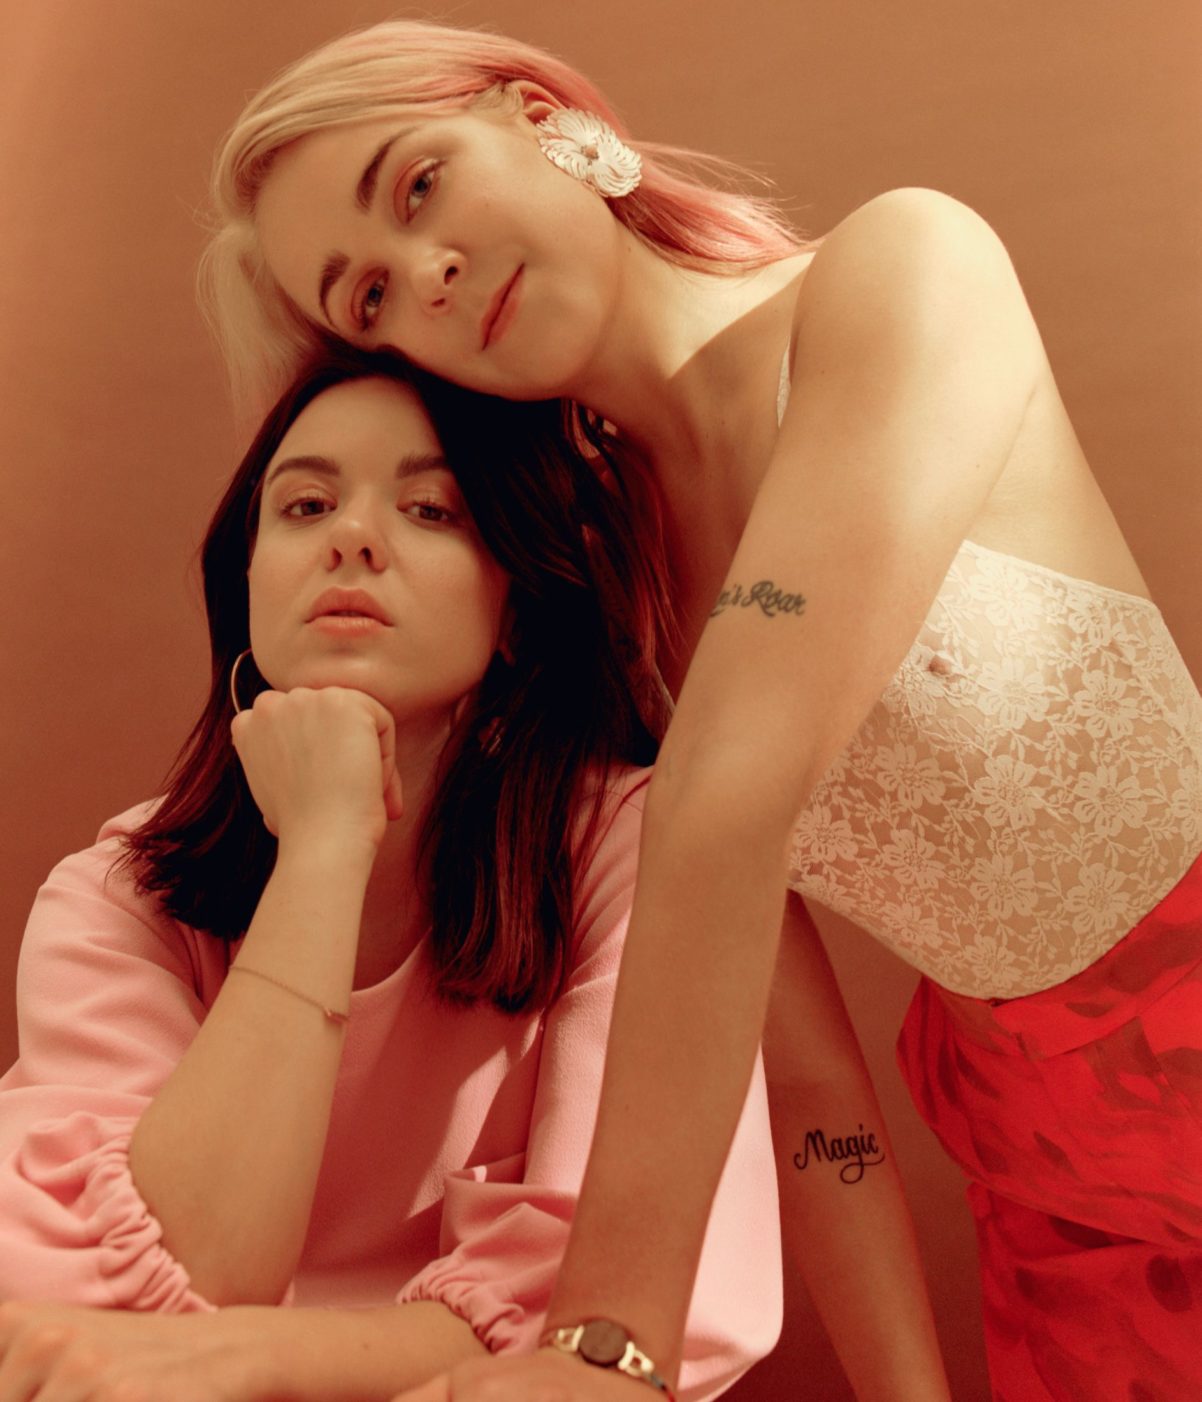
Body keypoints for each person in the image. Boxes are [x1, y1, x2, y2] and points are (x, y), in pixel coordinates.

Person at [196, 22, 1202, 1402]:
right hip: (1044, 1170)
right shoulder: (610, 582)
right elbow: (808, 1089)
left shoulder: (901, 270)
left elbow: (729, 797)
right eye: (369, 296)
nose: (425, 276)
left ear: (534, 114)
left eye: (419, 186)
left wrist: (606, 1338)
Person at [0, 357, 780, 1402]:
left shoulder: (628, 849)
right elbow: (134, 1293)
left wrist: (253, 1359)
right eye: (305, 505)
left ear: (515, 606)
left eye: (431, 509)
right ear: (248, 584)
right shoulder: (120, 896)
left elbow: (620, 1319)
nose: (352, 537)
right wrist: (325, 846)